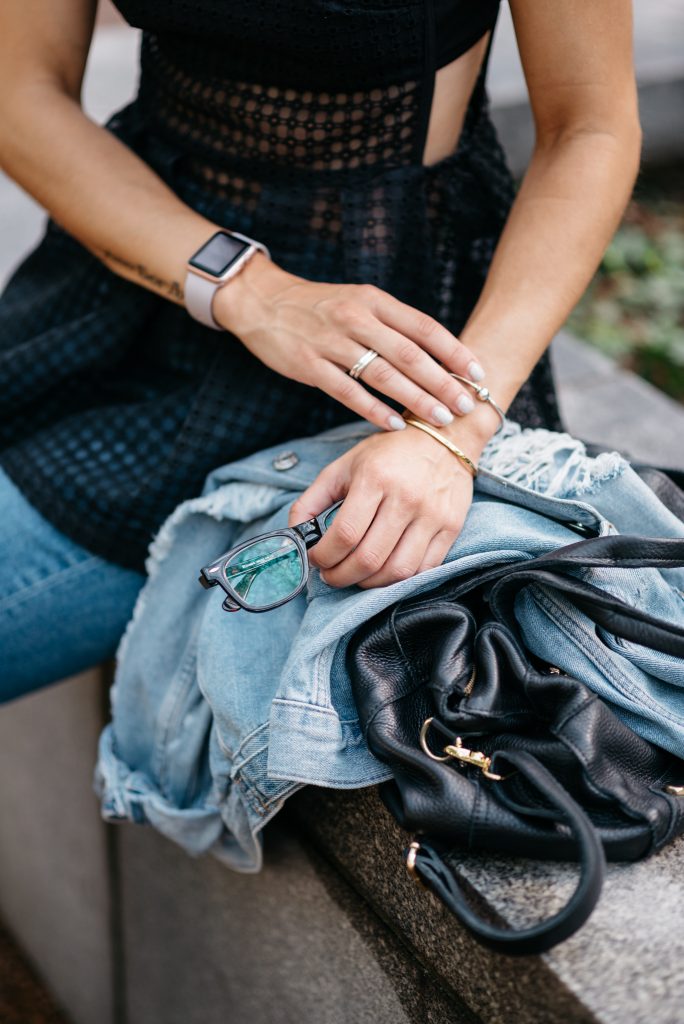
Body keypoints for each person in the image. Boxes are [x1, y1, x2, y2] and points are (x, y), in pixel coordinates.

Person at [0, 0, 641, 703]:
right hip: (129, 270)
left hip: (376, 357)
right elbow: (19, 89)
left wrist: (453, 429)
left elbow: (590, 126)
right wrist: (247, 289)